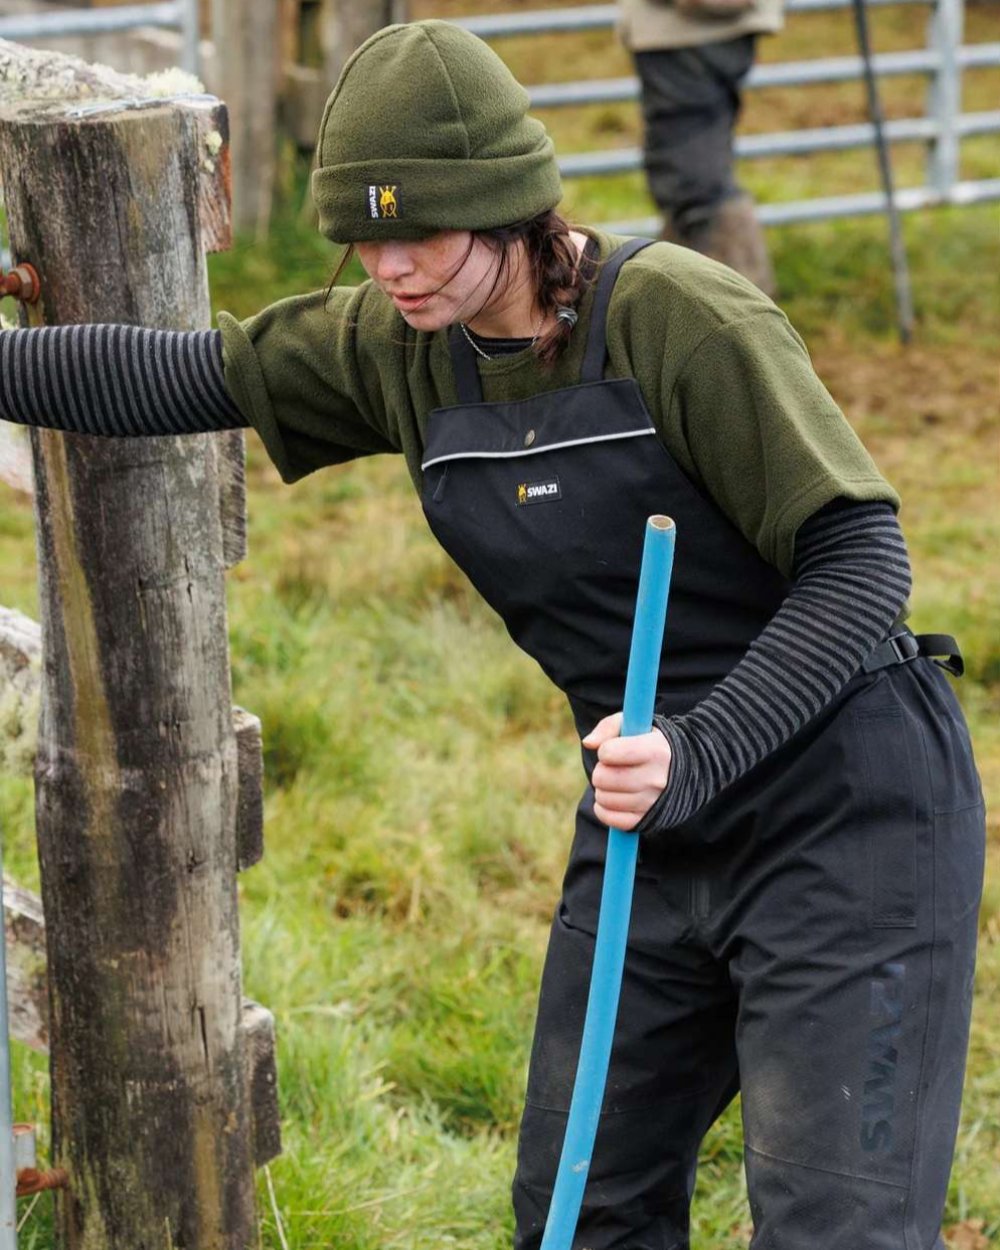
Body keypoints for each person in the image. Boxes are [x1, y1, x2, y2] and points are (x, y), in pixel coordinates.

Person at [0, 20, 984, 1250]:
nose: (392, 266)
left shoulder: (680, 319)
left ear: (513, 206)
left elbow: (860, 564)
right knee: (578, 1212)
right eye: (365, 237)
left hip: (846, 812)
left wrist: (698, 748)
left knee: (830, 1228)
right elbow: (174, 377)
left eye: (422, 230)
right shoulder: (402, 347)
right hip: (647, 817)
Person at [619, 0, 783, 294]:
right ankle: (672, 313)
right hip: (692, 23)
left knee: (694, 188)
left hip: (686, 25)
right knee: (688, 185)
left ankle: (741, 318)